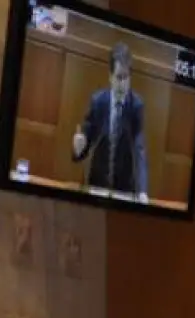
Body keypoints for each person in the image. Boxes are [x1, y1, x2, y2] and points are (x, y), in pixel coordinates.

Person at [72, 41, 149, 203]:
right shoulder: (98, 101)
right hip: (97, 183)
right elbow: (86, 141)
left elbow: (139, 148)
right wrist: (79, 149)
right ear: (110, 77)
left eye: (126, 78)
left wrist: (142, 191)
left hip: (124, 188)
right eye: (119, 77)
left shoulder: (136, 105)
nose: (123, 84)